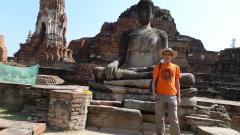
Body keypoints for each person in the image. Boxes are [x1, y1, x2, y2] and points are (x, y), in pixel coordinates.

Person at [102, 0, 168, 80]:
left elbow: (165, 59)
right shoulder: (127, 34)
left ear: (152, 14)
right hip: (129, 70)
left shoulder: (161, 34)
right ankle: (137, 77)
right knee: (99, 71)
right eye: (141, 11)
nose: (143, 13)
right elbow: (121, 56)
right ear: (136, 14)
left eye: (147, 11)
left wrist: (160, 65)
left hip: (150, 70)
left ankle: (130, 76)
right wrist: (115, 63)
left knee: (186, 77)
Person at [152, 47, 181, 135]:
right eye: (166, 55)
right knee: (159, 118)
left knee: (174, 119)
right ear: (163, 56)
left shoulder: (176, 67)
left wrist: (179, 96)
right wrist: (154, 93)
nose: (167, 56)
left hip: (172, 96)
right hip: (160, 95)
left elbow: (177, 82)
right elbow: (153, 81)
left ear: (171, 56)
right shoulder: (158, 66)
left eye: (169, 55)